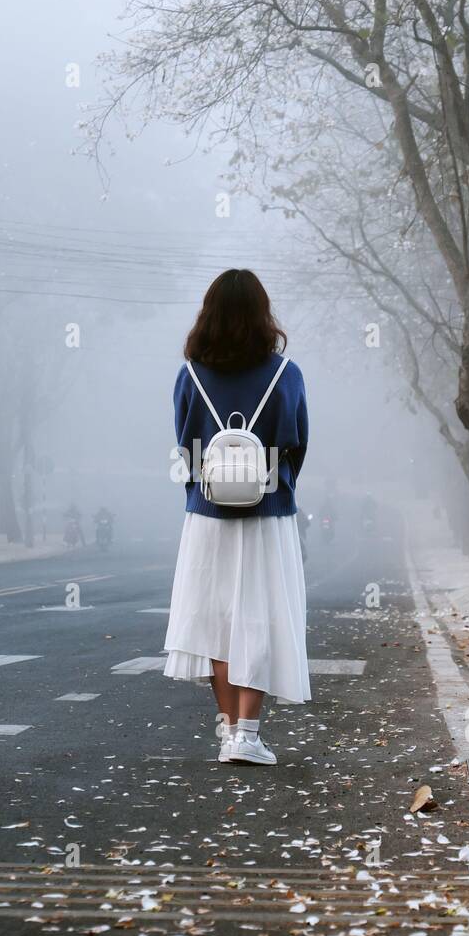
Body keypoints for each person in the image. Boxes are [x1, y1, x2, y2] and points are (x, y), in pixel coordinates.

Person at [163, 268, 310, 766]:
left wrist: (206, 483)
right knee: (260, 618)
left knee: (216, 622)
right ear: (262, 314)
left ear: (209, 314)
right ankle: (249, 733)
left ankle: (228, 734)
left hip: (207, 516)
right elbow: (297, 442)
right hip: (268, 514)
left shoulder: (190, 374)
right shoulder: (286, 374)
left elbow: (184, 444)